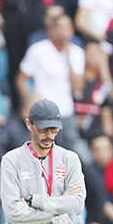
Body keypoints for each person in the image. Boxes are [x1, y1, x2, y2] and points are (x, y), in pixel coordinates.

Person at [17, 14, 85, 156]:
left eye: (67, 27)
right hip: (44, 112)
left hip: (66, 111)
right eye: (60, 27)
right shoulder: (38, 50)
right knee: (42, 153)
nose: (64, 31)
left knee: (72, 155)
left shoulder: (77, 52)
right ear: (51, 30)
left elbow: (78, 88)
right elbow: (21, 79)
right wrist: (30, 98)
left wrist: (68, 59)